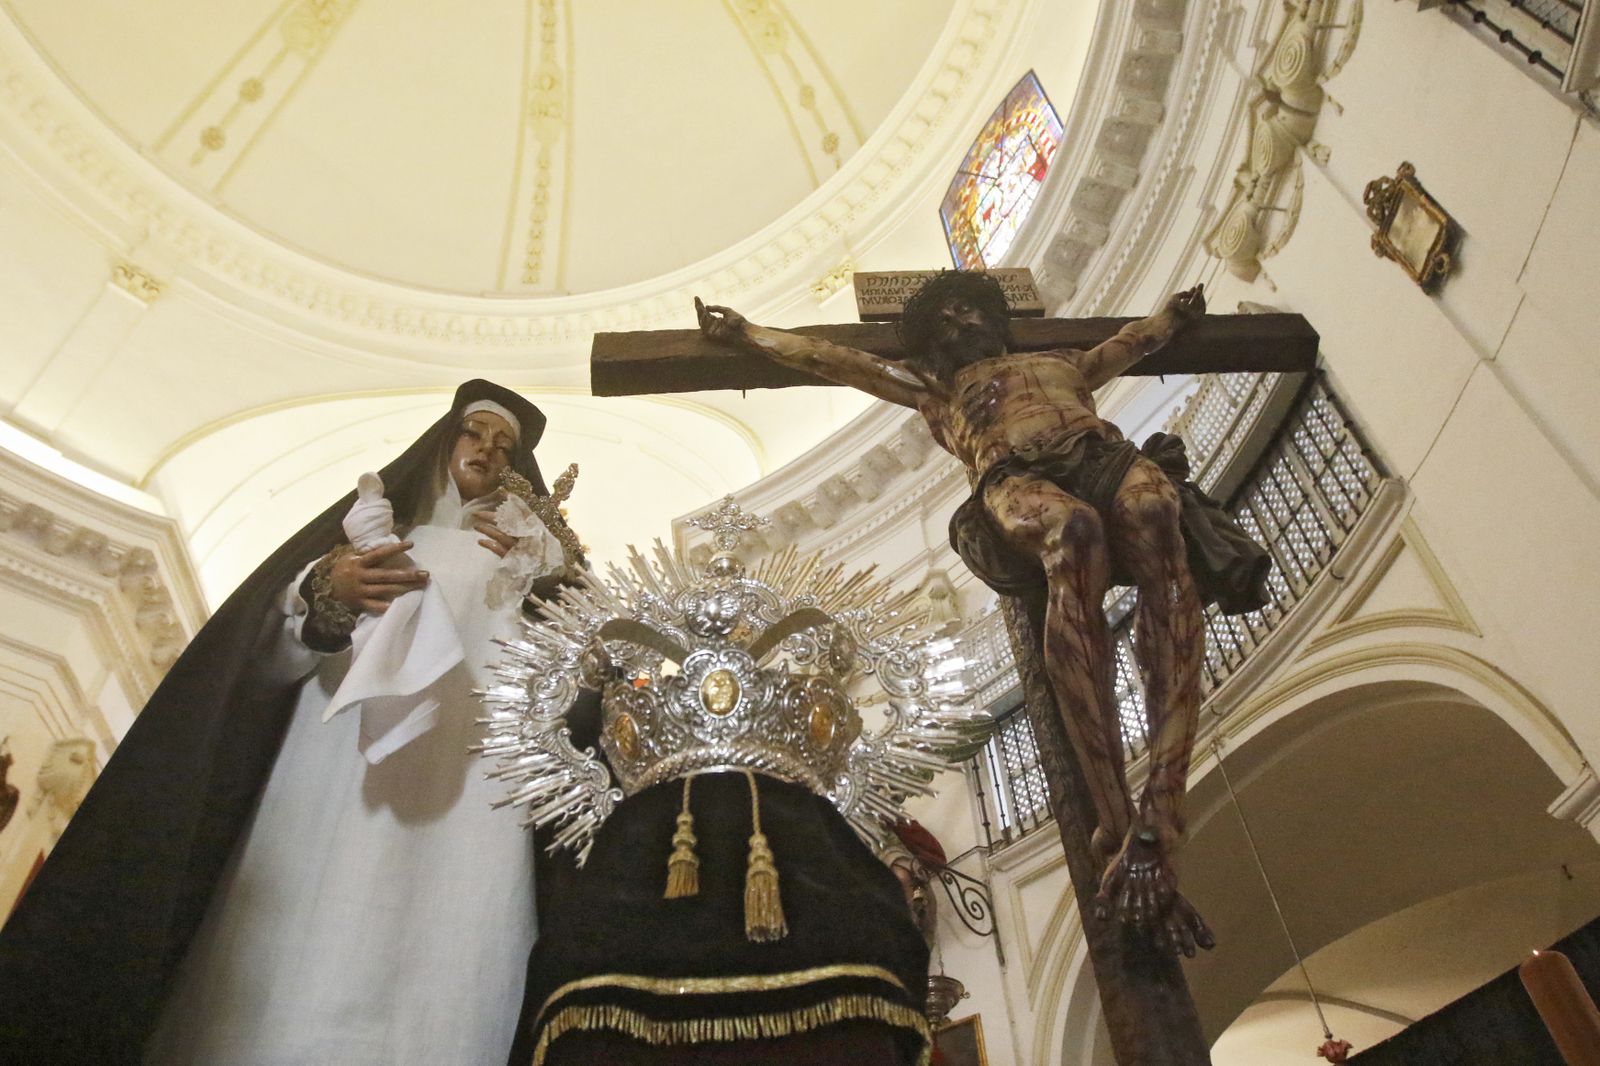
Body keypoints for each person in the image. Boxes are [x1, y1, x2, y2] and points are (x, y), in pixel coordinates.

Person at [0, 380, 581, 1064]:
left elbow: (579, 684)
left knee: (447, 969)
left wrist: (554, 573)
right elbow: (262, 667)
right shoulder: (368, 539)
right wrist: (327, 594)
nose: (486, 449)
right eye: (475, 431)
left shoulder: (529, 567)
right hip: (324, 787)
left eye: (504, 445)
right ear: (441, 440)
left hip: (467, 810)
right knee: (280, 969)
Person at [697, 274, 1268, 956]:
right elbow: (835, 359)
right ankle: (1116, 817)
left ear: (998, 318)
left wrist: (1171, 317)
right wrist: (751, 334)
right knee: (1073, 537)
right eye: (946, 319)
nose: (963, 319)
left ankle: (1163, 804)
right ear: (933, 344)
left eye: (971, 307)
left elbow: (1133, 341)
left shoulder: (1068, 366)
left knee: (1155, 512)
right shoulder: (937, 393)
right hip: (1012, 476)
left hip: (1103, 453)